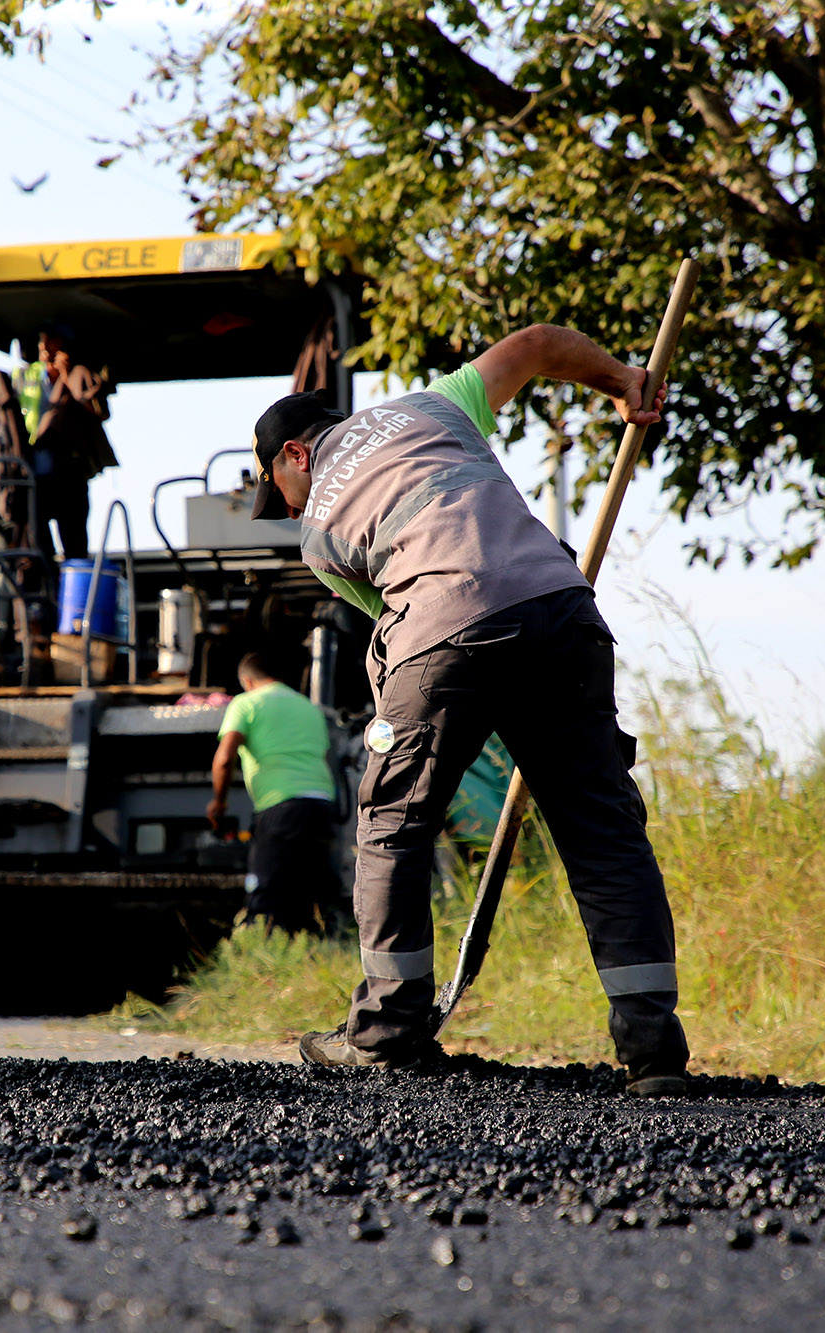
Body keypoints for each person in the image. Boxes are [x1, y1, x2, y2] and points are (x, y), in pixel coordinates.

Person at [245, 323, 688, 1095]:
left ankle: (387, 1033)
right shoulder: (434, 405)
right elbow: (542, 343)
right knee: (603, 832)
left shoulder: (319, 532)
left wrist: (411, 745)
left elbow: (403, 644)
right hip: (561, 611)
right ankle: (654, 1054)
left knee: (391, 825)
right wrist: (625, 380)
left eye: (275, 493)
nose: (286, 508)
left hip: (442, 631)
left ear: (295, 455)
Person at [206, 652, 344, 934]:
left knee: (266, 893)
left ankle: (263, 959)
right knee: (309, 892)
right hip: (320, 805)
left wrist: (219, 802)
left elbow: (223, 758)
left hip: (281, 805)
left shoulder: (246, 702)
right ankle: (314, 955)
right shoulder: (308, 706)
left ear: (247, 680)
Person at [0, 322, 117, 561]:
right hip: (33, 479)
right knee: (36, 545)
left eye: (52, 341)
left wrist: (66, 376)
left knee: (74, 543)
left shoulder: (79, 376)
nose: (45, 347)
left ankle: (72, 590)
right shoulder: (26, 376)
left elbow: (97, 412)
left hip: (69, 478)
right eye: (42, 341)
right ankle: (45, 589)